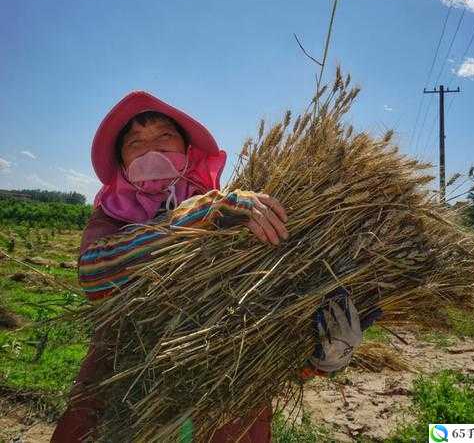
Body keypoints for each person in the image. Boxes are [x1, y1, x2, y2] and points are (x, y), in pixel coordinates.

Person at [51, 91, 371, 443]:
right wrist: (200, 217)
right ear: (122, 162)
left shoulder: (246, 214)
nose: (150, 150)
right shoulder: (114, 216)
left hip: (225, 416)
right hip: (117, 403)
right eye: (135, 143)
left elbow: (265, 329)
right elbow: (95, 276)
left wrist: (320, 360)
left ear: (189, 151)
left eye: (164, 136)